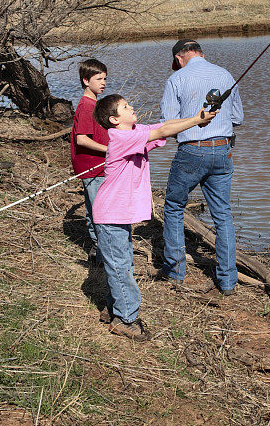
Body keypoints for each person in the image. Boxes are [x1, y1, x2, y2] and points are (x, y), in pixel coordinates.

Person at [92, 93, 218, 338]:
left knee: (122, 263)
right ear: (114, 120)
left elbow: (164, 127)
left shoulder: (135, 131)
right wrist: (196, 120)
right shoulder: (121, 137)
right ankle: (125, 320)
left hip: (118, 214)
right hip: (110, 214)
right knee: (121, 267)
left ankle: (113, 308)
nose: (132, 108)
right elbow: (160, 133)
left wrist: (196, 119)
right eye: (126, 107)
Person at [159, 39, 243, 295]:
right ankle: (228, 282)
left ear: (179, 59)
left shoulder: (177, 79)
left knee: (173, 207)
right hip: (222, 149)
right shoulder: (225, 74)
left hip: (191, 150)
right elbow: (238, 118)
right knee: (223, 215)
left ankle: (175, 273)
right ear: (201, 54)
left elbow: (168, 124)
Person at [70, 59, 109, 264]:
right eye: (98, 79)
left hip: (98, 167)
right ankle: (102, 252)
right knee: (99, 210)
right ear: (86, 80)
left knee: (95, 208)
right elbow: (81, 139)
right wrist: (110, 150)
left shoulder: (94, 104)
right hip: (91, 167)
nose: (103, 83)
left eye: (105, 78)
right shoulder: (86, 106)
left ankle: (98, 251)